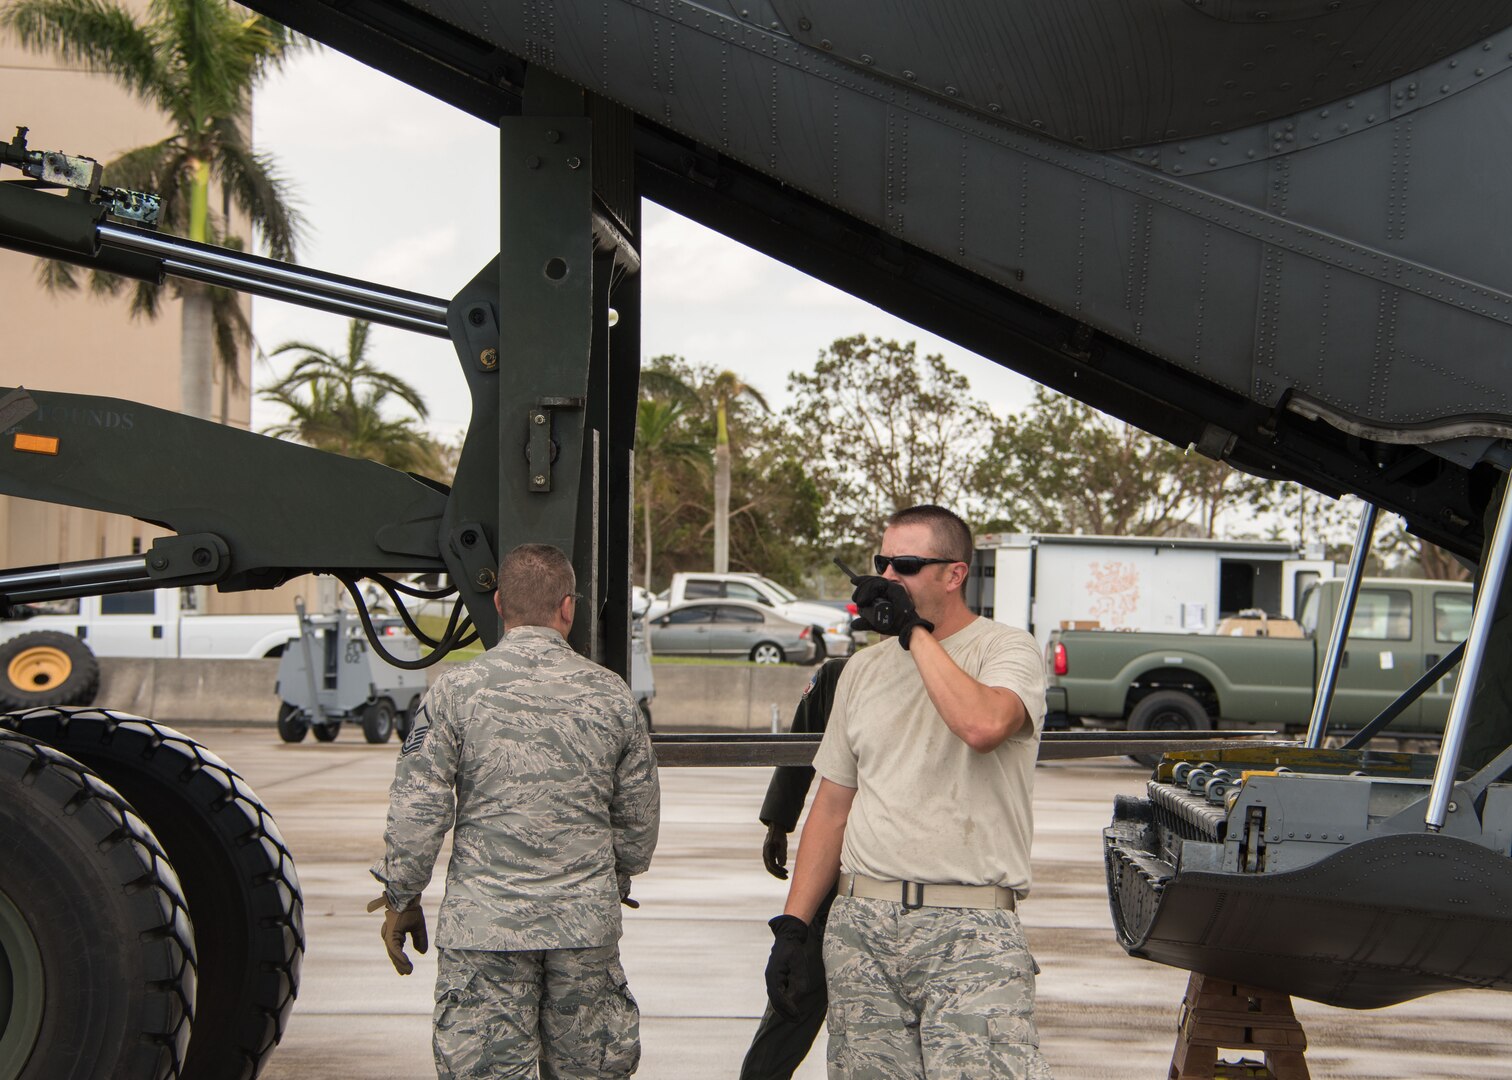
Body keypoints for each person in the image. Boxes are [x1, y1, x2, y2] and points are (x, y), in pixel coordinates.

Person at [765, 505, 1053, 1078]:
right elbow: (833, 805)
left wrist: (913, 634)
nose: (888, 579)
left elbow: (982, 727)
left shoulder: (1006, 651)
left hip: (970, 932)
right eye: (882, 563)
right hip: (863, 928)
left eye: (907, 565)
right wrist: (793, 927)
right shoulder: (861, 672)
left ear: (954, 574)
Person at [368, 543, 661, 1079]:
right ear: (567, 607)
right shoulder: (612, 695)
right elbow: (638, 816)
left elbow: (419, 805)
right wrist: (613, 879)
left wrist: (402, 895)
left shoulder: (455, 691)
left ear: (500, 602)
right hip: (583, 925)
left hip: (486, 928)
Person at [741, 655, 849, 1080]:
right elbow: (800, 746)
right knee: (792, 1001)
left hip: (895, 878)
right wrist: (778, 822)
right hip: (836, 871)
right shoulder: (840, 676)